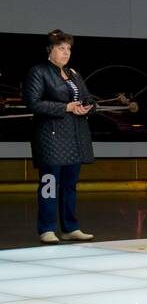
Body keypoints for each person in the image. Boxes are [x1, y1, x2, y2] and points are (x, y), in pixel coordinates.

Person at [23, 30, 95, 243]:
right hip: (51, 139)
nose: (66, 53)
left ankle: (70, 227)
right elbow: (33, 102)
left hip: (74, 138)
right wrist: (65, 107)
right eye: (61, 48)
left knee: (70, 185)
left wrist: (88, 107)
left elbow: (88, 97)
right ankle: (46, 228)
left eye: (68, 49)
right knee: (49, 183)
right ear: (50, 50)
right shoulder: (39, 72)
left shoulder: (73, 73)